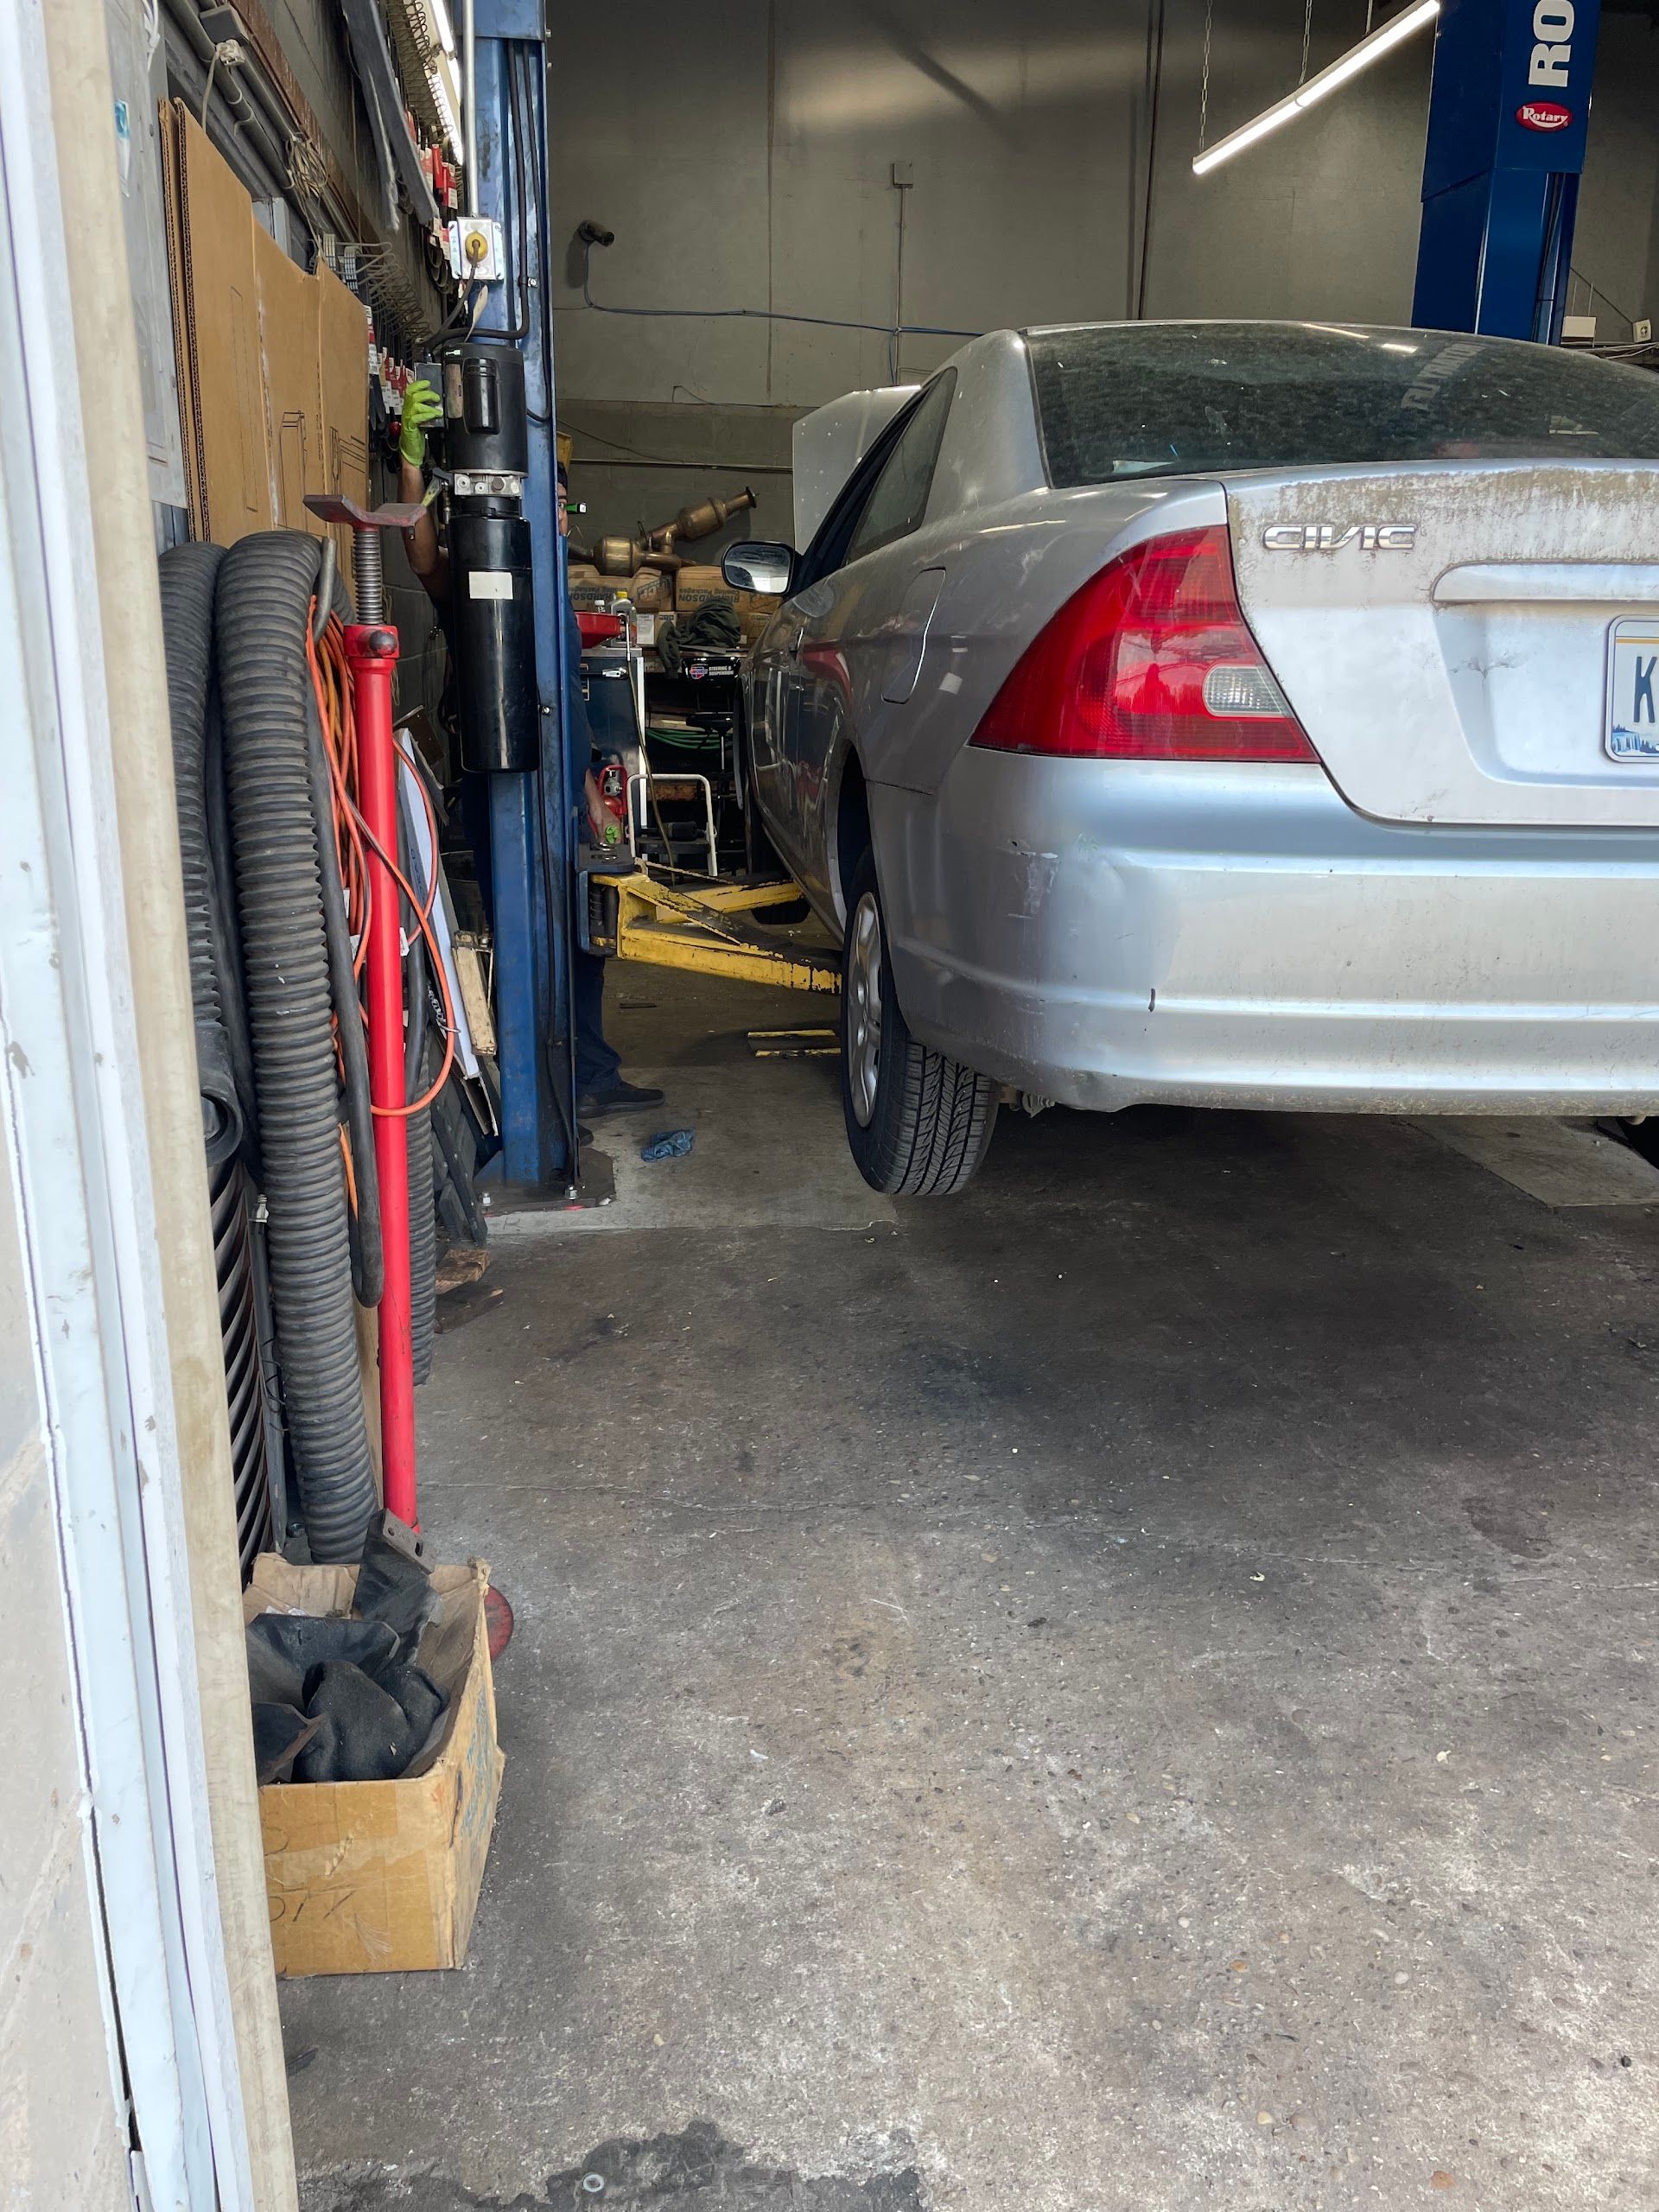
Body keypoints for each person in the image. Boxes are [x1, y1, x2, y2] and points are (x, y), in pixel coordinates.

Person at [396, 382, 662, 1125]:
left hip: (567, 785)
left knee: (584, 927)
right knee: (521, 932)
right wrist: (411, 468)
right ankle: (531, 1083)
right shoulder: (485, 580)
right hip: (501, 786)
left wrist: (591, 797)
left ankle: (591, 1070)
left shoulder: (553, 591)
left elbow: (570, 708)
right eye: (545, 498)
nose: (556, 514)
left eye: (563, 503)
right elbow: (419, 554)